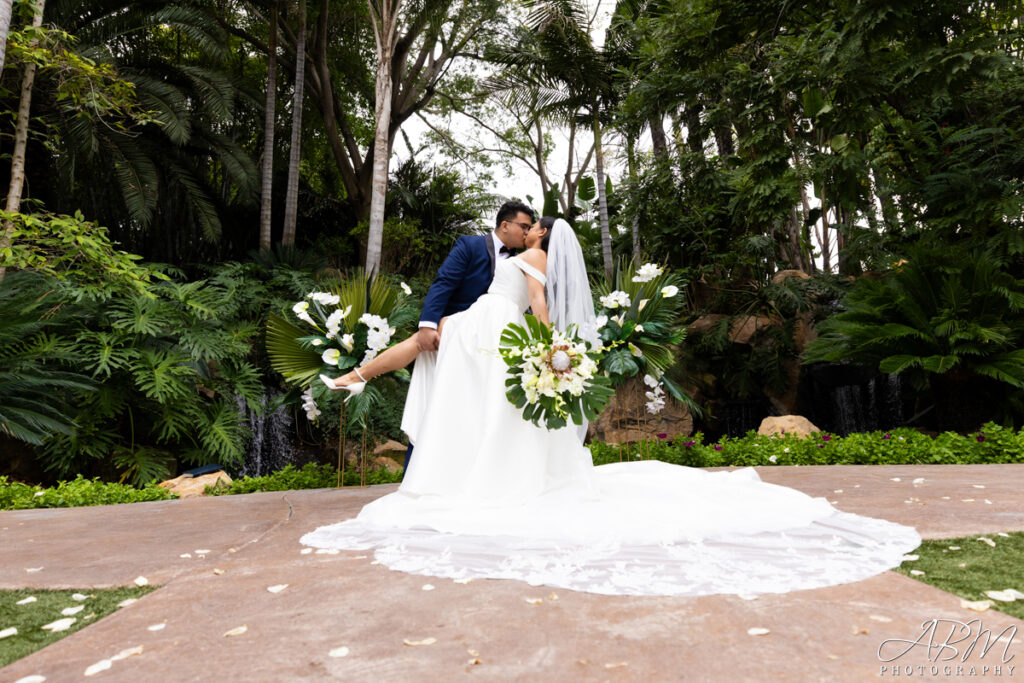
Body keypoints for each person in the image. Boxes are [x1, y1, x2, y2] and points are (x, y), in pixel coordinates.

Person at [304, 218, 921, 597]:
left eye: (537, 227)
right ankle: (357, 378)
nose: (532, 231)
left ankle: (356, 377)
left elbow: (541, 310)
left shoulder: (530, 257)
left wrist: (550, 348)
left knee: (424, 347)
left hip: (493, 330)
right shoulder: (525, 255)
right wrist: (545, 346)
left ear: (543, 236)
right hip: (486, 329)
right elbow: (535, 308)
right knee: (427, 347)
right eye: (529, 228)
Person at [323, 200, 535, 469]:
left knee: (476, 410)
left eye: (530, 228)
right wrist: (427, 325)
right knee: (435, 404)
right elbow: (444, 283)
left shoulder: (522, 262)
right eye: (523, 226)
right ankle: (416, 475)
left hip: (490, 346)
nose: (526, 232)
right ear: (505, 225)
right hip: (454, 336)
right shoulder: (470, 245)